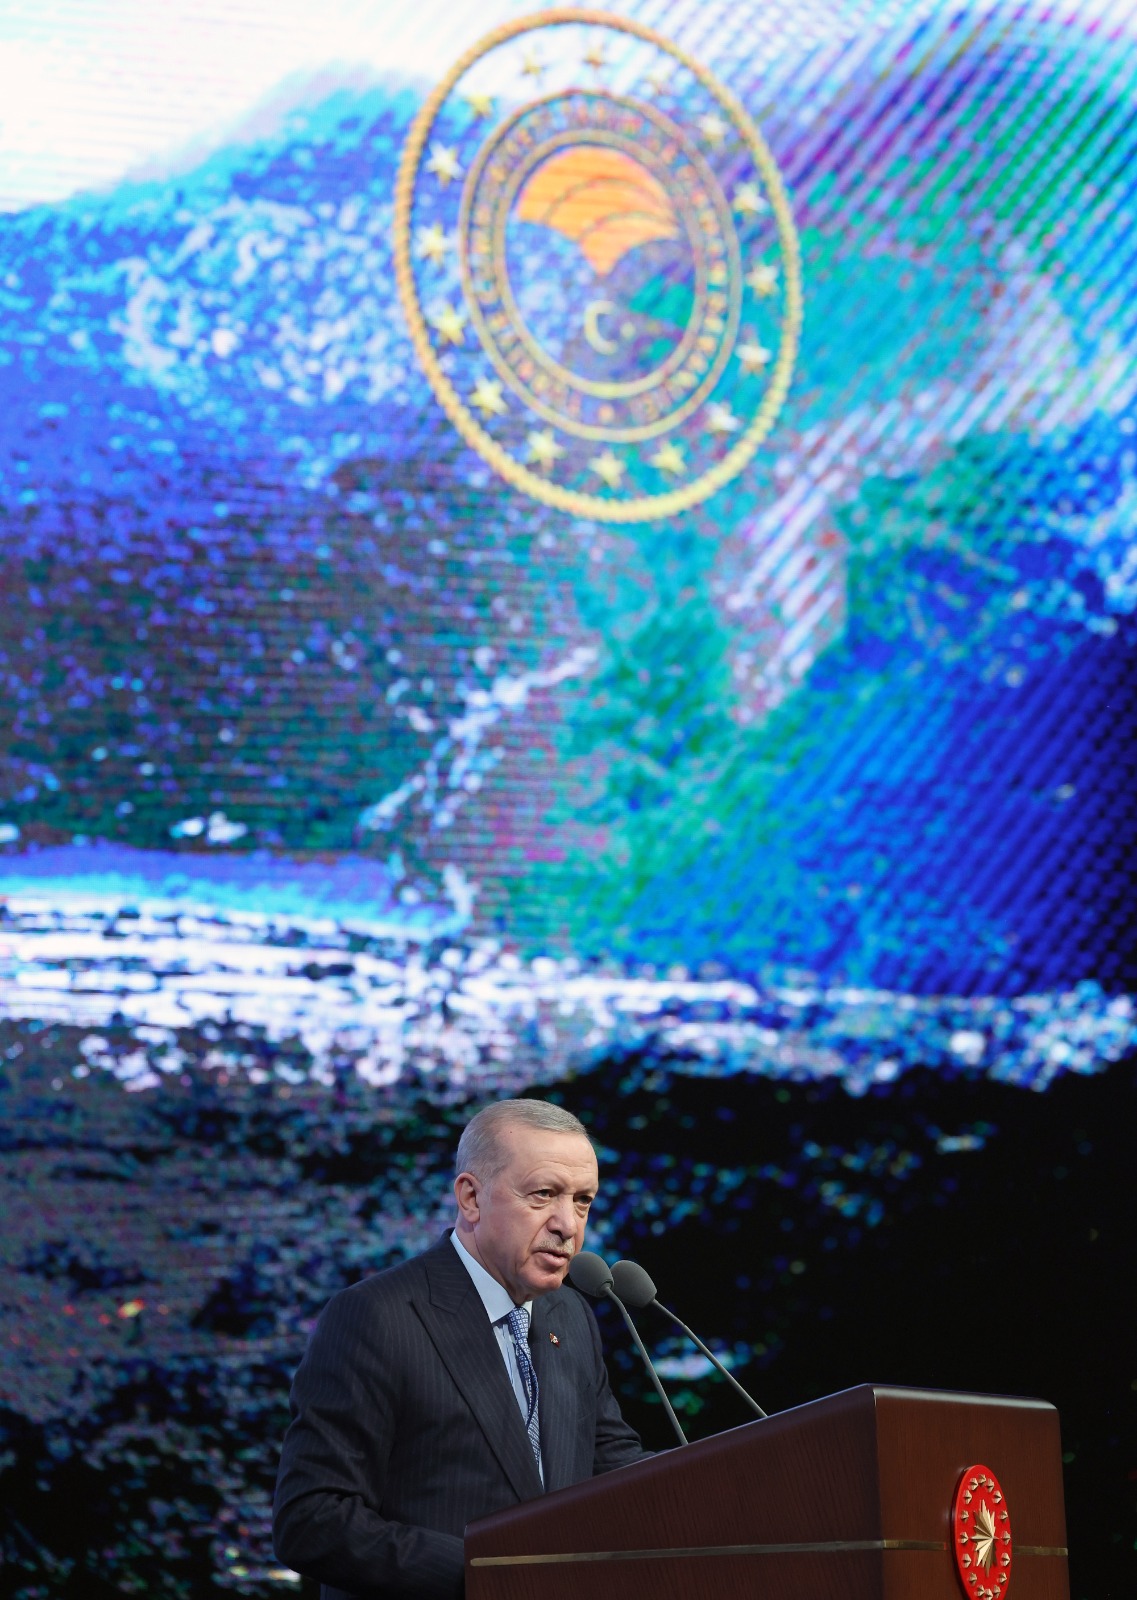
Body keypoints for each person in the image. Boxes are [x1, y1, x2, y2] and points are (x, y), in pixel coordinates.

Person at [272, 1099, 647, 1599]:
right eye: (543, 1194)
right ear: (471, 1197)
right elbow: (312, 1520)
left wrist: (727, 1487)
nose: (568, 1224)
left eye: (582, 1200)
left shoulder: (569, 1315)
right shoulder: (377, 1317)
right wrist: (490, 1575)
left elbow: (612, 1469)